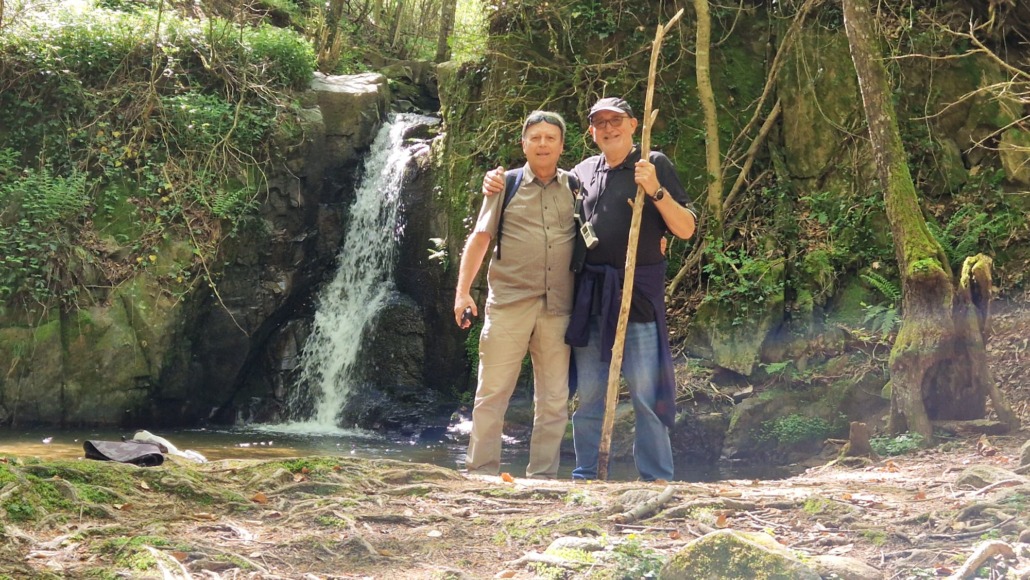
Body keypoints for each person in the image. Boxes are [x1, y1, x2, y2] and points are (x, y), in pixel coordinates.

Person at [483, 97, 697, 481]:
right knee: (590, 395)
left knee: (646, 395)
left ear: (633, 124)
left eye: (616, 120)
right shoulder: (581, 173)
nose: (609, 128)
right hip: (591, 297)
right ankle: (586, 475)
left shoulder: (653, 163)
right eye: (601, 123)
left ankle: (655, 478)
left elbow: (686, 228)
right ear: (591, 132)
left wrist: (656, 191)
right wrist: (495, 180)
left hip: (637, 298)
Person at [454, 110, 578, 479]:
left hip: (559, 307)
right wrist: (462, 293)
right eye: (535, 138)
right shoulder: (505, 185)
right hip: (509, 305)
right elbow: (480, 238)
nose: (543, 144)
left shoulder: (576, 187)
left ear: (562, 145)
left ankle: (543, 477)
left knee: (554, 399)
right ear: (523, 144)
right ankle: (481, 472)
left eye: (550, 138)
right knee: (492, 393)